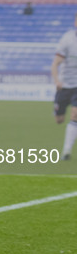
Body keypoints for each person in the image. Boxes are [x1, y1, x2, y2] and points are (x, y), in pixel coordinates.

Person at [51, 12, 77, 161]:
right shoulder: (68, 39)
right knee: (59, 119)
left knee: (75, 114)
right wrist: (57, 81)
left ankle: (66, 152)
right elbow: (55, 63)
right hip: (64, 85)